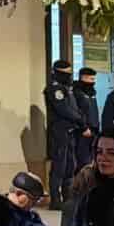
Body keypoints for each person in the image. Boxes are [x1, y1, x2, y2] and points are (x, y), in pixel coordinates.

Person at [45, 60, 90, 205]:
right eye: (66, 74)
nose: (69, 76)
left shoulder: (66, 88)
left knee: (70, 165)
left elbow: (73, 108)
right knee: (59, 166)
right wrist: (81, 121)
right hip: (60, 132)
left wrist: (80, 120)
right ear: (57, 73)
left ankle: (67, 196)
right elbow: (64, 110)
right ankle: (55, 199)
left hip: (70, 131)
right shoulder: (55, 89)